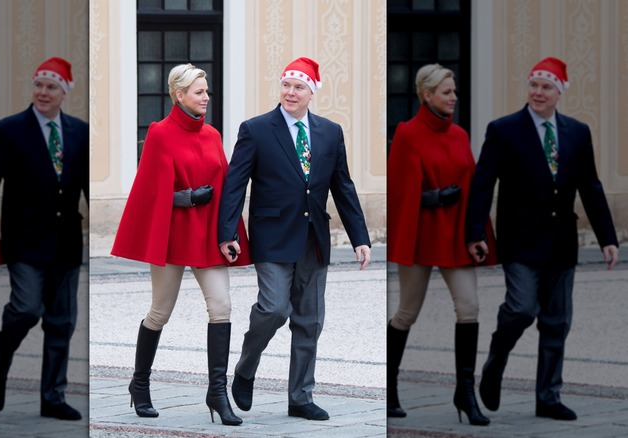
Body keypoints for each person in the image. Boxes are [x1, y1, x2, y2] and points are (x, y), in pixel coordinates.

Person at [218, 57, 371, 421]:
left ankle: (300, 397)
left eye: (299, 87)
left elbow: (343, 187)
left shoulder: (330, 132)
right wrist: (228, 231)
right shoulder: (256, 129)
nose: (290, 92)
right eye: (286, 85)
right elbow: (235, 184)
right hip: (272, 235)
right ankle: (246, 367)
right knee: (273, 309)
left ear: (311, 93)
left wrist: (359, 237)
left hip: (313, 238)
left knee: (309, 320)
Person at [466, 57, 619, 421]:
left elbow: (591, 187)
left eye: (546, 87)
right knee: (521, 309)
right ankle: (495, 361)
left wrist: (607, 238)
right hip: (520, 240)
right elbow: (483, 184)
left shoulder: (577, 132)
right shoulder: (504, 130)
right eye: (534, 85)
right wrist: (475, 232)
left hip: (562, 241)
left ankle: (548, 396)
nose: (538, 92)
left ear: (559, 93)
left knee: (556, 321)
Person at [111, 63, 251, 426]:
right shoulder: (159, 133)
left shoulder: (212, 135)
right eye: (200, 92)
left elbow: (225, 190)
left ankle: (217, 392)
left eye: (207, 91)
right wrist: (187, 197)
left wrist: (229, 234)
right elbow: (150, 190)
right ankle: (139, 384)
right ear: (180, 95)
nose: (206, 97)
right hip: (172, 233)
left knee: (222, 306)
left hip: (207, 235)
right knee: (160, 311)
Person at [0, 57, 89, 421]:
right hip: (24, 240)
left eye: (51, 87)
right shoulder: (8, 130)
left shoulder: (80, 132)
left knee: (61, 322)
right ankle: (0, 363)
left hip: (66, 241)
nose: (43, 92)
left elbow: (87, 185)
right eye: (38, 85)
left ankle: (53, 396)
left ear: (64, 93)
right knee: (25, 309)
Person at [386, 64, 496, 425]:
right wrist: (431, 199)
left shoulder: (460, 135)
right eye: (447, 92)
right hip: (420, 233)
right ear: (427, 94)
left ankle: (465, 392)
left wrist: (478, 233)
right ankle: (389, 385)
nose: (453, 98)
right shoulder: (407, 133)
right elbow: (400, 191)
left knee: (470, 308)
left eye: (455, 92)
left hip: (456, 235)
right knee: (407, 313)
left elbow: (475, 188)